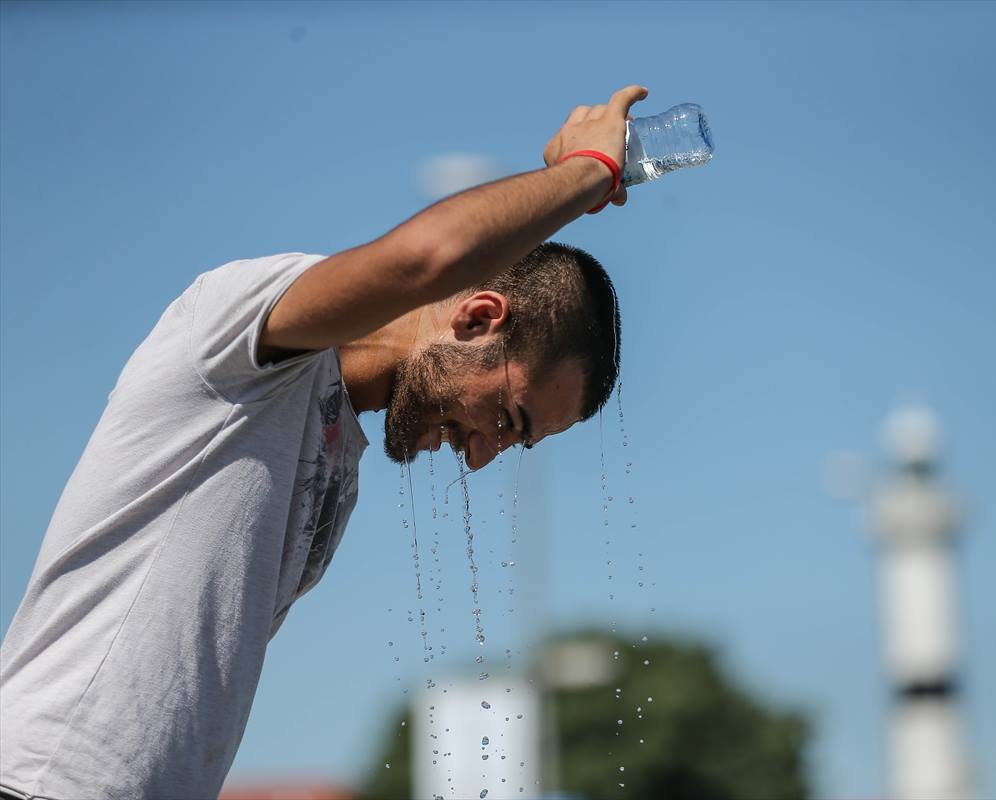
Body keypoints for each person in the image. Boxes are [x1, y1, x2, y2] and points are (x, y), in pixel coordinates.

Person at [0, 84, 649, 800]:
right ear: (478, 318)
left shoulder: (340, 458)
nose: (482, 454)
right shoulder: (242, 341)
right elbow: (429, 258)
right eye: (509, 417)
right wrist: (590, 169)